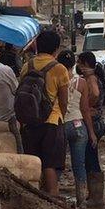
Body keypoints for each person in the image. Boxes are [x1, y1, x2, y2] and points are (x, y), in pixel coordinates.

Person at [20, 30, 69, 196]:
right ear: (56, 49)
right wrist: (61, 116)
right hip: (52, 121)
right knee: (50, 163)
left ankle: (35, 197)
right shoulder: (59, 69)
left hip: (30, 121)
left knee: (33, 162)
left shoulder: (28, 66)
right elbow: (63, 100)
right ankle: (53, 197)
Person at [57, 50, 97, 209]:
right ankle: (82, 202)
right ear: (74, 64)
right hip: (79, 126)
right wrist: (92, 133)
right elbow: (85, 109)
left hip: (60, 125)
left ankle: (52, 196)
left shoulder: (55, 80)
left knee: (57, 163)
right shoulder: (81, 82)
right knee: (79, 165)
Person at [77, 51, 105, 208]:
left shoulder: (90, 78)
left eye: (80, 64)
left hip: (93, 123)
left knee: (91, 159)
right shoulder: (95, 76)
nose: (78, 67)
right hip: (98, 122)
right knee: (92, 157)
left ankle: (96, 197)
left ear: (85, 64)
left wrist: (86, 105)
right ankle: (94, 195)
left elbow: (95, 93)